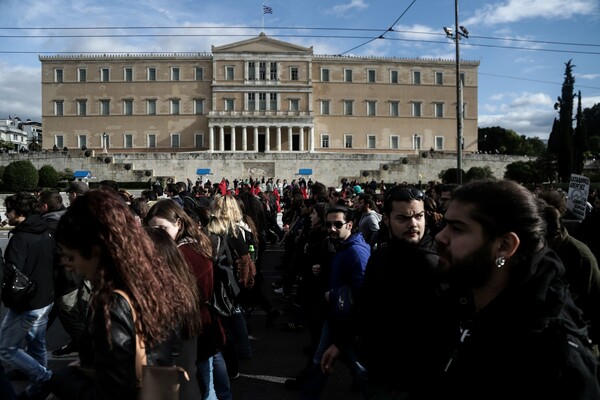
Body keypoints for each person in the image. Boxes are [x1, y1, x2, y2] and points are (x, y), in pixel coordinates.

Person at [433, 179, 600, 399]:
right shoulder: (459, 304)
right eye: (445, 225)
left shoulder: (554, 358)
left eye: (457, 229)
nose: (440, 236)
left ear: (505, 246)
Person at [48, 189, 198, 400]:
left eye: (71, 257)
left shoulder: (112, 302)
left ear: (95, 250)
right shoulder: (154, 281)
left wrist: (63, 380)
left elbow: (114, 391)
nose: (69, 267)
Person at [322, 186, 447, 398]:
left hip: (415, 379)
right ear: (387, 220)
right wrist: (339, 343)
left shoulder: (433, 263)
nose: (413, 224)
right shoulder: (382, 255)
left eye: (418, 216)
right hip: (380, 369)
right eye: (403, 218)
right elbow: (365, 303)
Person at [144, 199, 231, 400]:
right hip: (201, 328)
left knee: (204, 388)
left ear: (179, 224)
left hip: (193, 330)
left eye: (162, 228)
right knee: (208, 383)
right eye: (153, 229)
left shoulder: (184, 255)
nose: (157, 235)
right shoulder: (194, 245)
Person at [300, 205, 371, 399]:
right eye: (329, 224)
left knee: (359, 369)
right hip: (336, 316)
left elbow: (364, 290)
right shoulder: (343, 245)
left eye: (337, 224)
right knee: (321, 360)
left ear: (349, 225)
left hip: (346, 320)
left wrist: (335, 294)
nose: (331, 228)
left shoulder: (355, 251)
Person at [0, 192, 55, 399]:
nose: (7, 213)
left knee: (6, 349)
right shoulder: (46, 230)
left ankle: (45, 378)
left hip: (26, 302)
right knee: (37, 344)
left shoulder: (21, 238)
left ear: (20, 213)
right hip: (44, 297)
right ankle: (38, 390)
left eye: (10, 210)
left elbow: (12, 273)